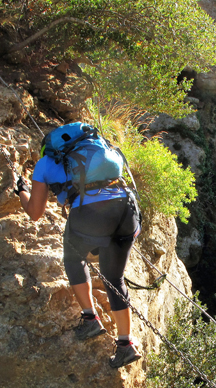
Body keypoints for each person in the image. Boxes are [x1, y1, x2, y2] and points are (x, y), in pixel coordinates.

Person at [15, 136, 143, 369]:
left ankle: (90, 319)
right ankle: (126, 345)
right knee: (114, 278)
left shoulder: (45, 163)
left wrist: (22, 191)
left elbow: (34, 212)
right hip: (127, 208)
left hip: (91, 212)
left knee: (74, 258)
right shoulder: (99, 151)